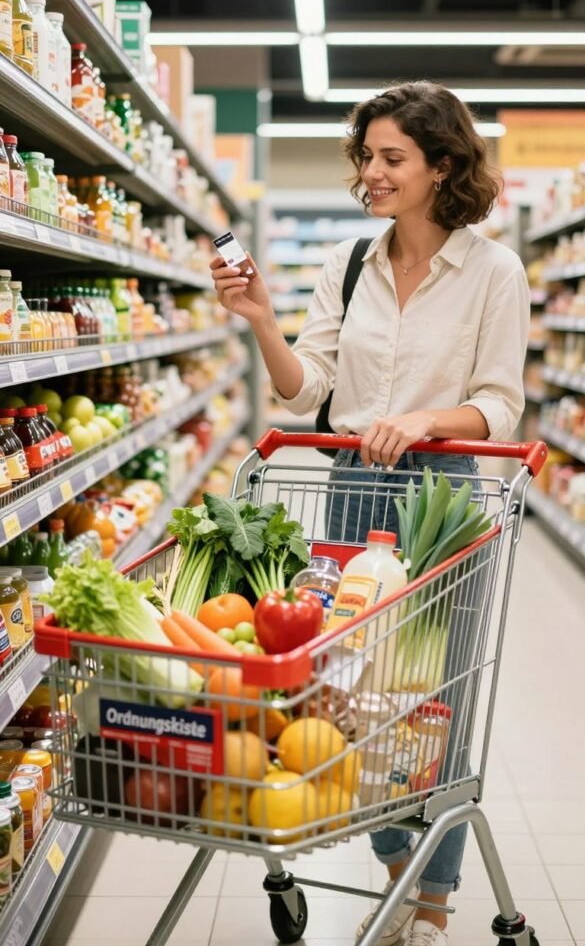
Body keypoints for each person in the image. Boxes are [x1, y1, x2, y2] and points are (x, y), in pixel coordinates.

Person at [210, 80, 530, 946]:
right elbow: (305, 393)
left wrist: (426, 419)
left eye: (392, 158)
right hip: (350, 494)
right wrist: (259, 321)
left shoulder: (494, 271)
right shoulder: (346, 264)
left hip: (446, 499)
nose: (372, 173)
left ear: (443, 165)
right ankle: (398, 879)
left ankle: (432, 905)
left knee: (434, 700)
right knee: (355, 700)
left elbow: (501, 405)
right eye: (367, 158)